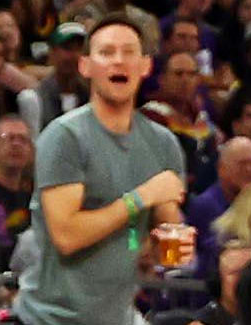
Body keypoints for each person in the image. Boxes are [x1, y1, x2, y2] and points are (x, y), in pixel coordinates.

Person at [24, 17, 189, 325]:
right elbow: (67, 236)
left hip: (119, 316)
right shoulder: (64, 137)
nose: (119, 61)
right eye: (107, 52)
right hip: (51, 319)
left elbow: (166, 251)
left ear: (145, 66)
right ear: (85, 66)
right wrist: (139, 198)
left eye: (129, 52)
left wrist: (174, 243)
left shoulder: (163, 144)